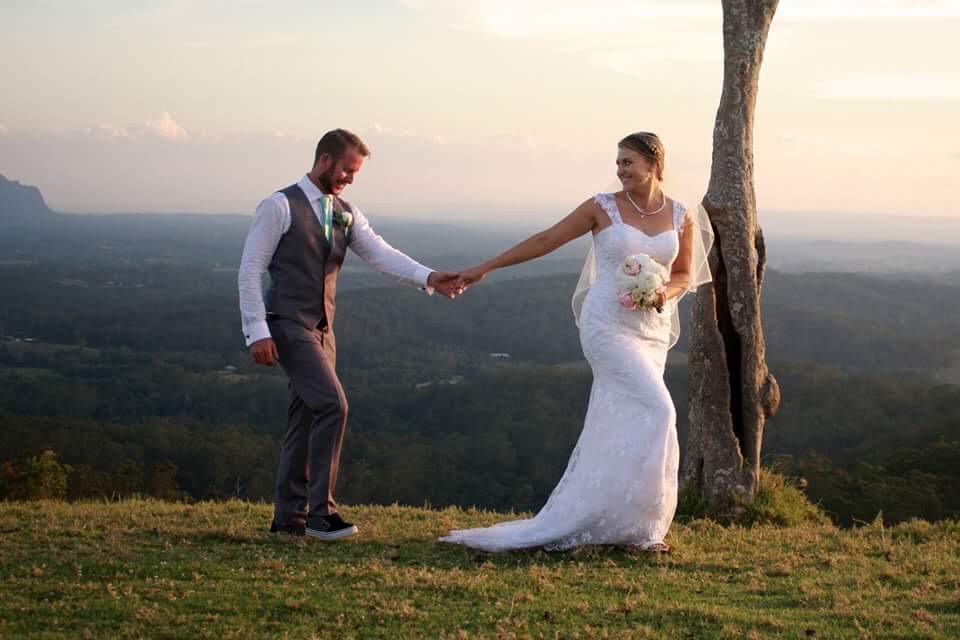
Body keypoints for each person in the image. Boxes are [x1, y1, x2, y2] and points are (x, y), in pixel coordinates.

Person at [439, 132, 713, 552]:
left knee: (623, 417)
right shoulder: (600, 208)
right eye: (618, 163)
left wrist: (662, 293)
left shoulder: (681, 215)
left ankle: (624, 521)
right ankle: (648, 528)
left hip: (651, 329)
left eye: (628, 163)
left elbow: (682, 274)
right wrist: (486, 267)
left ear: (654, 164)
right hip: (606, 323)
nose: (619, 171)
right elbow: (547, 239)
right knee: (659, 410)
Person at [238, 129, 462, 540]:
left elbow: (379, 252)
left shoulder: (345, 211)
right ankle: (321, 514)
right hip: (287, 323)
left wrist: (429, 277)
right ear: (325, 160)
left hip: (324, 329)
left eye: (355, 172)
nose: (350, 179)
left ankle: (288, 521)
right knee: (333, 405)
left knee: (304, 418)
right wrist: (256, 330)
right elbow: (251, 269)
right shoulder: (278, 206)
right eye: (347, 170)